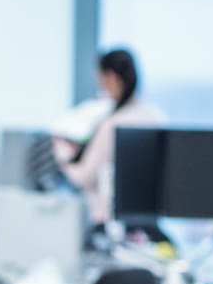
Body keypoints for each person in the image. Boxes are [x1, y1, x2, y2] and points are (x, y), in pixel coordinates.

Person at [52, 48, 166, 228]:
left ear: (110, 77)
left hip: (109, 223)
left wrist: (62, 154)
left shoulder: (113, 124)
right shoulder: (155, 116)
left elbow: (84, 177)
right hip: (147, 221)